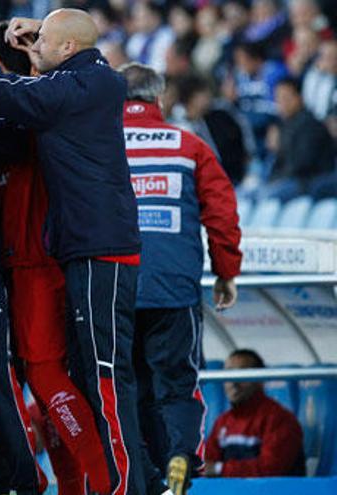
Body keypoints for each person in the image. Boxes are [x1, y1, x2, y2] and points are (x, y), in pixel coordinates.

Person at [0, 8, 146, 494]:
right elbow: (18, 95)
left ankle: (110, 482)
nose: (33, 43)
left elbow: (2, 94)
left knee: (81, 377)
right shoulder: (70, 89)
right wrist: (36, 52)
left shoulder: (56, 101)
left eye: (43, 38)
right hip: (58, 254)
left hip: (52, 257)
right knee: (77, 379)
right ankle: (84, 484)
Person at [0, 21, 111, 495]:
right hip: (26, 261)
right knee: (42, 382)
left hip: (38, 261)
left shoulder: (33, 109)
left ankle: (101, 480)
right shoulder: (24, 111)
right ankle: (76, 485)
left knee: (48, 375)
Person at [118, 63, 242, 495]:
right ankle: (180, 459)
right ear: (160, 98)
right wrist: (227, 273)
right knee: (177, 386)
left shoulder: (101, 144)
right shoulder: (189, 145)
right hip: (175, 289)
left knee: (124, 386)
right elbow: (223, 215)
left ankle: (143, 476)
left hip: (114, 287)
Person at [204, 350, 305, 478]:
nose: (233, 383)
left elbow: (270, 469)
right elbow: (207, 463)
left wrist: (219, 469)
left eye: (242, 375)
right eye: (228, 374)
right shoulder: (223, 422)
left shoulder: (280, 420)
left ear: (259, 380)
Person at [259, 77, 335, 200]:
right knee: (247, 194)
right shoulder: (283, 125)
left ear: (299, 97)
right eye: (278, 98)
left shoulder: (310, 125)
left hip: (308, 182)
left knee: (267, 196)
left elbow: (302, 165)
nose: (281, 103)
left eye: (286, 98)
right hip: (288, 181)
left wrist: (278, 181)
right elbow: (279, 163)